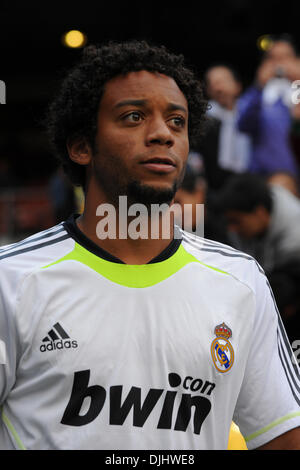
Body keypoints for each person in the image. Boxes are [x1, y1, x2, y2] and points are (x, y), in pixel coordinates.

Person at [0, 40, 299, 451]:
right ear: (81, 146)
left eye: (177, 122)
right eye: (134, 116)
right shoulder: (11, 281)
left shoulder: (240, 281)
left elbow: (283, 435)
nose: (162, 134)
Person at [237, 36, 300, 182]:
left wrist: (298, 81)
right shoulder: (257, 94)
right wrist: (259, 86)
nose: (279, 63)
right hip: (262, 179)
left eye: (285, 57)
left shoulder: (297, 89)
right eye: (273, 58)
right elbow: (243, 125)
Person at [217, 173, 300, 274]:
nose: (231, 228)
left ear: (260, 213)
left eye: (236, 221)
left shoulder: (295, 239)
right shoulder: (258, 201)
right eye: (229, 221)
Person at [194, 65, 251, 190]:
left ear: (237, 86)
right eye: (212, 83)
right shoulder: (202, 119)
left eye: (222, 81)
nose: (218, 87)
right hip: (212, 186)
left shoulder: (250, 116)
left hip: (247, 181)